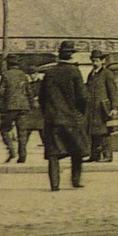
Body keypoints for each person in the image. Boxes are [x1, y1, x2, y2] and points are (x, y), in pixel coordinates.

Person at [39, 41, 90, 192]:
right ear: (71, 55)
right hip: (72, 118)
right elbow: (83, 96)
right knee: (77, 150)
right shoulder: (74, 72)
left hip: (53, 118)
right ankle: (76, 180)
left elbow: (42, 97)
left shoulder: (49, 73)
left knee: (53, 154)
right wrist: (80, 113)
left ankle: (54, 184)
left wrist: (48, 112)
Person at [0, 56, 35, 164]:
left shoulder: (6, 75)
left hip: (10, 107)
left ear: (8, 64)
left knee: (4, 129)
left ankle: (12, 151)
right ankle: (22, 154)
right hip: (23, 107)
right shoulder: (23, 75)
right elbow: (29, 91)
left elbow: (1, 92)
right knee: (22, 132)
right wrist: (31, 104)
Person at [85, 49, 118, 163]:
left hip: (103, 109)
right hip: (92, 109)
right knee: (93, 132)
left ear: (102, 61)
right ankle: (94, 155)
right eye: (93, 60)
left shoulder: (107, 74)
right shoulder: (91, 74)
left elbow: (113, 91)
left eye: (96, 60)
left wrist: (114, 107)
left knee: (104, 132)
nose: (94, 63)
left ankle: (107, 155)